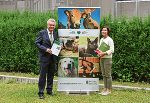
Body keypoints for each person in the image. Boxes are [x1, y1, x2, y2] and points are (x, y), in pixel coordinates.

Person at [35, 18, 58, 99]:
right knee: (42, 76)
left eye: (53, 25)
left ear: (54, 26)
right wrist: (45, 49)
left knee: (51, 75)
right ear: (47, 25)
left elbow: (56, 43)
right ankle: (41, 92)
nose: (52, 26)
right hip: (44, 58)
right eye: (50, 25)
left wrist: (59, 46)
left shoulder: (55, 33)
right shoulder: (42, 33)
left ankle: (49, 90)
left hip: (53, 58)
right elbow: (37, 43)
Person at [97, 26, 114, 96]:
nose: (103, 31)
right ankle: (105, 88)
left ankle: (109, 90)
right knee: (104, 75)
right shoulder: (101, 39)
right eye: (102, 30)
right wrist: (98, 53)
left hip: (107, 59)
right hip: (102, 58)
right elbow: (99, 49)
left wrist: (104, 53)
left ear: (108, 32)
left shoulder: (110, 40)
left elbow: (112, 50)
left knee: (108, 75)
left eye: (105, 30)